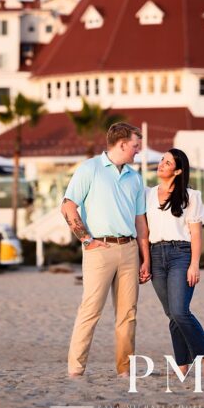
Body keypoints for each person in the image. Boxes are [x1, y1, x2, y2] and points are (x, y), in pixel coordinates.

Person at [61, 123, 148, 378]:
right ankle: (75, 370)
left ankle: (125, 371)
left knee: (128, 315)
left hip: (130, 250)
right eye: (135, 146)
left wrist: (146, 259)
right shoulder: (90, 169)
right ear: (122, 144)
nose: (138, 151)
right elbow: (68, 206)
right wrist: (86, 239)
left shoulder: (135, 177)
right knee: (90, 311)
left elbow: (140, 221)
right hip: (99, 249)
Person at [146, 148, 204, 377]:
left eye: (167, 162)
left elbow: (196, 234)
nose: (161, 164)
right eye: (161, 160)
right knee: (171, 313)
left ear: (177, 170)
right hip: (155, 254)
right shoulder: (147, 194)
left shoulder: (191, 196)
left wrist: (194, 264)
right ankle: (182, 363)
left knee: (179, 311)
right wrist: (144, 261)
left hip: (181, 254)